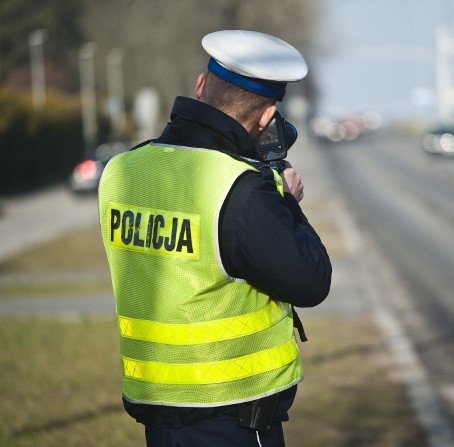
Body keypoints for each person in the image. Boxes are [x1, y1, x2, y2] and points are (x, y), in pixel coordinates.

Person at [98, 30, 332, 447]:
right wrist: (288, 201)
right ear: (267, 117)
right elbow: (312, 281)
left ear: (200, 86)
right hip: (232, 417)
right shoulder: (240, 189)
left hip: (157, 414)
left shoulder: (120, 171)